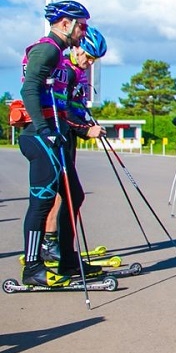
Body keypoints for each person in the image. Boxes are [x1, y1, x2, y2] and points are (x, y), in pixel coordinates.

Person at [19, 1, 103, 286]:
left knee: (74, 195)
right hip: (39, 136)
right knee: (41, 202)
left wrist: (77, 128)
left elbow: (63, 102)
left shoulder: (59, 53)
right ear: (65, 23)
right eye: (82, 26)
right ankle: (32, 267)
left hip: (55, 132)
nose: (84, 31)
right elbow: (28, 88)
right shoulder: (48, 49)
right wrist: (45, 129)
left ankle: (67, 259)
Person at [40, 26, 109, 262]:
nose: (89, 63)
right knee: (64, 192)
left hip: (69, 135)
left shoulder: (77, 73)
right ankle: (50, 242)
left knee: (68, 193)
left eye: (94, 60)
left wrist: (90, 121)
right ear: (77, 48)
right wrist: (85, 130)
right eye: (88, 56)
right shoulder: (66, 71)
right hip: (59, 134)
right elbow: (63, 110)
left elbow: (77, 107)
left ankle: (57, 243)